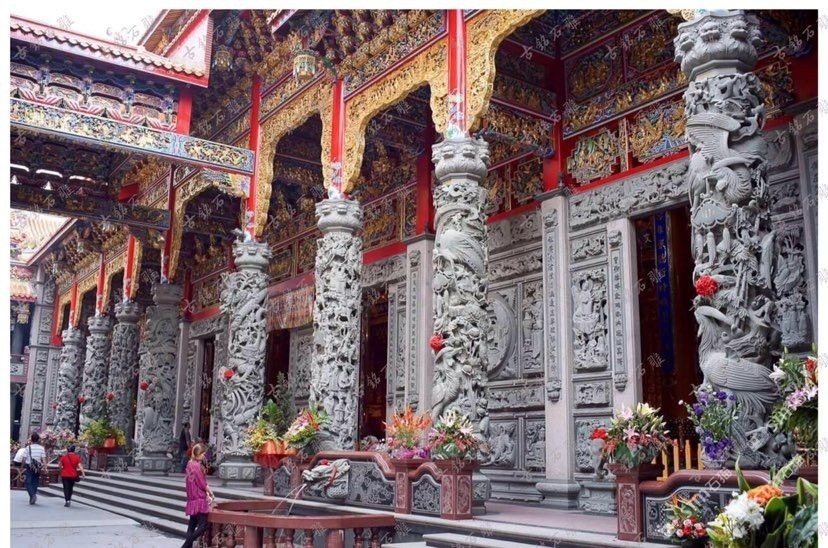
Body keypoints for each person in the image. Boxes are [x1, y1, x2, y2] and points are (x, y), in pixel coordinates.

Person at [182, 443, 214, 548]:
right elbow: (202, 483)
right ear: (198, 453)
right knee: (202, 526)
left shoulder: (189, 464)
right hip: (199, 499)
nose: (204, 456)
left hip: (192, 498)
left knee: (191, 526)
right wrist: (210, 493)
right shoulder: (196, 466)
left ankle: (187, 546)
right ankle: (185, 545)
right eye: (203, 453)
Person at [13, 432, 46, 505]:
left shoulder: (28, 448)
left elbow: (24, 458)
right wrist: (45, 468)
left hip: (29, 466)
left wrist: (22, 467)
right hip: (38, 467)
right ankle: (33, 495)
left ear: (31, 439)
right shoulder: (41, 448)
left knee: (28, 482)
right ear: (38, 439)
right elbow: (43, 459)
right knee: (35, 481)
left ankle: (32, 495)